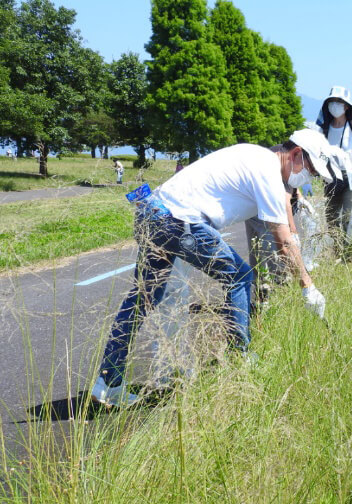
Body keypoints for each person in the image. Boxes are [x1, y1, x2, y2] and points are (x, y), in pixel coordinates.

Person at [91, 129, 335, 407]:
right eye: (311, 172)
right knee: (241, 277)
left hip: (151, 212)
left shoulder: (258, 157)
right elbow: (282, 240)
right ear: (296, 155)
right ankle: (238, 360)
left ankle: (108, 384)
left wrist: (295, 239)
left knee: (142, 301)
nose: (309, 178)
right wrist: (308, 285)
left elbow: (285, 209)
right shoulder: (267, 170)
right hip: (178, 221)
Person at [315, 86, 352, 256]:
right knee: (332, 217)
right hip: (330, 178)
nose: (335, 105)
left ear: (346, 106)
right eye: (332, 102)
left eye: (339, 102)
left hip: (351, 178)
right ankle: (337, 251)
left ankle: (348, 254)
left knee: (349, 216)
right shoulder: (324, 128)